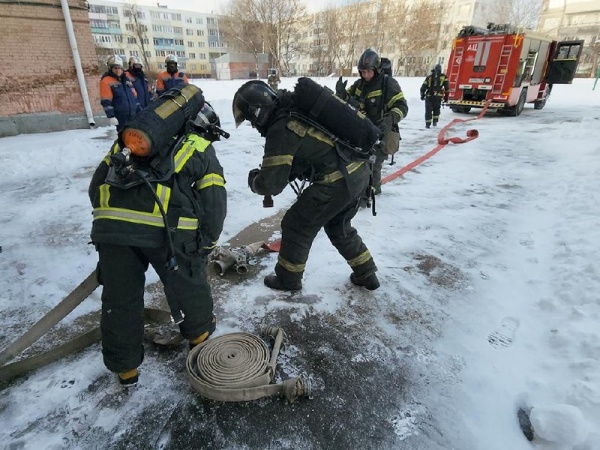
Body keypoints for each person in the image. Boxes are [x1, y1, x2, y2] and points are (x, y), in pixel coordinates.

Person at [88, 94, 227, 387]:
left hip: (111, 230)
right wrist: (207, 243)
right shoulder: (198, 146)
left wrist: (110, 222)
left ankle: (125, 371)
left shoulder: (129, 142)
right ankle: (200, 338)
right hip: (167, 233)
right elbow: (214, 203)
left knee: (120, 298)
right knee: (188, 283)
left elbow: (96, 184)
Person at [232, 80, 379, 292]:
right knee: (339, 226)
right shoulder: (294, 110)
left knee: (296, 225)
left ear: (257, 112)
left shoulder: (280, 128)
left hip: (336, 181)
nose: (254, 126)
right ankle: (367, 273)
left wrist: (254, 181)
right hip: (358, 173)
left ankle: (287, 280)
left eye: (251, 120)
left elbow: (271, 184)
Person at [336, 49, 408, 196]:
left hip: (381, 132)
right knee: (358, 163)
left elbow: (402, 106)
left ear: (377, 69)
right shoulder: (358, 85)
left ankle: (372, 191)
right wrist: (341, 94)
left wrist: (390, 119)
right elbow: (346, 103)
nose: (366, 75)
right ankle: (362, 189)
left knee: (374, 165)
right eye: (363, 72)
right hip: (362, 131)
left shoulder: (388, 84)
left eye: (369, 72)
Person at [100, 55, 142, 132]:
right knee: (123, 137)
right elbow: (106, 101)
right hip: (120, 116)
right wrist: (111, 116)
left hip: (133, 113)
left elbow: (134, 97)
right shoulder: (106, 81)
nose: (118, 70)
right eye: (115, 68)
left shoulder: (126, 80)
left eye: (119, 68)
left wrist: (139, 110)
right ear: (110, 68)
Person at [420, 64, 450, 128]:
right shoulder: (444, 77)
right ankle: (435, 122)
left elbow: (423, 87)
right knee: (436, 109)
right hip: (438, 97)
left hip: (429, 96)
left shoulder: (429, 77)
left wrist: (422, 95)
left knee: (428, 110)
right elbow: (447, 88)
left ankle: (427, 125)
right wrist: (446, 97)